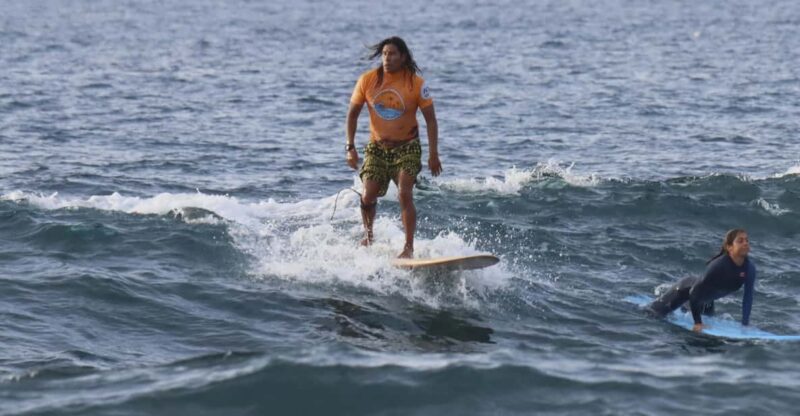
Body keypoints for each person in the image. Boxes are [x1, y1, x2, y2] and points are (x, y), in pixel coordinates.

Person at [345, 36, 442, 258]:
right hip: (377, 148)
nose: (387, 58)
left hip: (407, 147)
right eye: (385, 54)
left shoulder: (416, 84)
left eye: (393, 54)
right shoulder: (368, 80)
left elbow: (431, 121)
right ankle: (368, 236)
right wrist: (349, 147)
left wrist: (433, 154)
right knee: (368, 196)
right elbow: (352, 115)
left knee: (404, 194)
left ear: (403, 57)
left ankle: (408, 247)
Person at [647, 229, 756, 332]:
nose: (745, 243)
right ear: (729, 247)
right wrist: (698, 323)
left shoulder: (749, 268)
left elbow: (748, 297)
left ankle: (687, 310)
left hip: (706, 301)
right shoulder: (719, 266)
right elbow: (694, 292)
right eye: (740, 241)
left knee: (704, 339)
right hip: (685, 291)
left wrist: (745, 324)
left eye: (747, 240)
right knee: (653, 315)